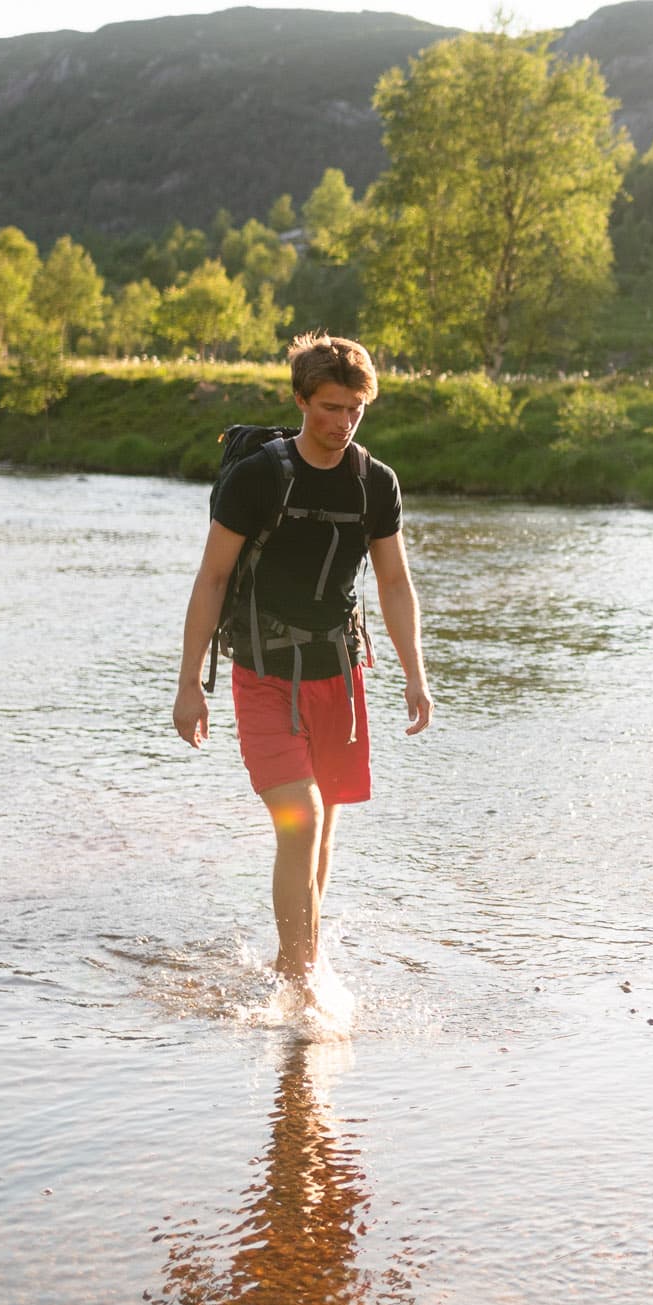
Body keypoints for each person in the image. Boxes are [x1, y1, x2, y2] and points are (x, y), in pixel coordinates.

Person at [173, 333, 432, 989]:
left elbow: (395, 585)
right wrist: (188, 687)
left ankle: (301, 965)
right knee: (302, 821)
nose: (343, 423)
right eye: (330, 407)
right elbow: (210, 580)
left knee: (322, 832)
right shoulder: (256, 478)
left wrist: (415, 676)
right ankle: (299, 982)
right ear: (300, 400)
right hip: (262, 676)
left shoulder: (376, 484)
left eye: (355, 409)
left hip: (338, 680)